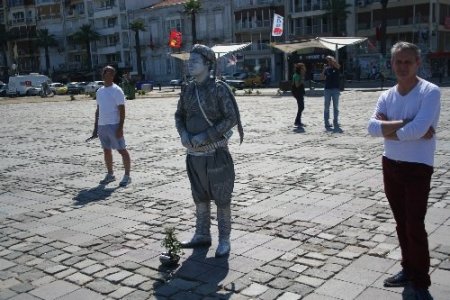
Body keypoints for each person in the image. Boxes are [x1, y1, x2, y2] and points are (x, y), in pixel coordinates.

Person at [367, 41, 440, 300]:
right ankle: (408, 269)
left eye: (408, 61)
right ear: (392, 63)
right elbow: (372, 128)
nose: (402, 66)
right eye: (398, 61)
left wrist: (392, 130)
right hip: (391, 165)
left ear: (418, 63)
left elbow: (418, 131)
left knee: (414, 224)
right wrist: (408, 124)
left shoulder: (429, 92)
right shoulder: (386, 95)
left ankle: (420, 279)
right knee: (401, 223)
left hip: (418, 167)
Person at [175, 44, 243, 258]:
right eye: (189, 61)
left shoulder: (219, 89)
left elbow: (231, 118)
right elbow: (179, 116)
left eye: (195, 61)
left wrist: (206, 135)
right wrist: (183, 134)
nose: (190, 64)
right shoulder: (188, 89)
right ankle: (202, 234)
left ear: (207, 64)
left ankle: (224, 240)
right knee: (200, 198)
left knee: (222, 199)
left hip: (216, 155)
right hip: (194, 156)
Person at [92, 65, 132, 187]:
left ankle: (127, 176)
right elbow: (98, 109)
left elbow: (122, 110)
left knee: (122, 150)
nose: (107, 75)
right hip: (102, 125)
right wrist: (95, 128)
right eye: (105, 72)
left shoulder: (117, 90)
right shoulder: (100, 91)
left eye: (109, 73)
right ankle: (110, 174)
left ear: (113, 75)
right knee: (106, 150)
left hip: (114, 125)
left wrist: (120, 128)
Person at [321, 56, 341, 129]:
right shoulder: (327, 69)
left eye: (330, 61)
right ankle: (326, 123)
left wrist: (331, 59)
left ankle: (335, 122)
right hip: (327, 90)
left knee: (335, 107)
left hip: (335, 89)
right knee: (326, 107)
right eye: (328, 61)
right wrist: (324, 69)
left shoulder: (336, 67)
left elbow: (338, 66)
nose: (329, 62)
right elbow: (322, 77)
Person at [292, 63, 306, 127]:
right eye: (303, 68)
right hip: (298, 92)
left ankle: (297, 121)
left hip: (298, 92)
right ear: (300, 69)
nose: (304, 69)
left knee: (301, 107)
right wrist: (302, 79)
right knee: (301, 107)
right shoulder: (297, 75)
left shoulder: (298, 74)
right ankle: (297, 121)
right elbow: (297, 85)